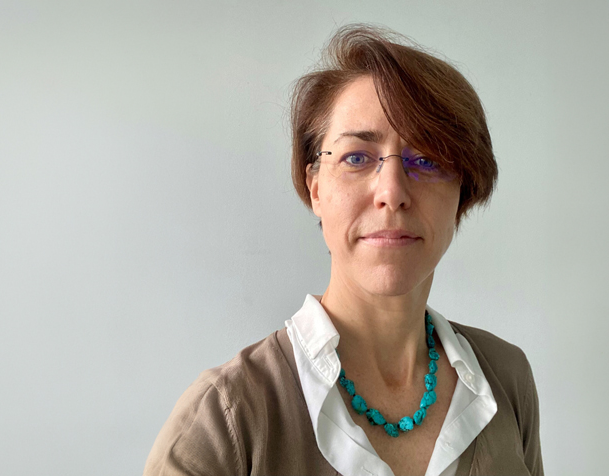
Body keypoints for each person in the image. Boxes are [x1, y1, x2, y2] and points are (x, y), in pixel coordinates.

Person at [144, 24, 543, 476]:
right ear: (315, 187)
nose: (392, 192)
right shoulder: (226, 417)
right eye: (356, 157)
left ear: (462, 194)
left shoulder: (507, 378)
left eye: (428, 160)